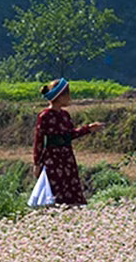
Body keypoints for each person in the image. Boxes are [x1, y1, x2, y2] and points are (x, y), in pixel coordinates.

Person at [32, 78, 104, 206]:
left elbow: (71, 134)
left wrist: (89, 129)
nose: (70, 98)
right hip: (52, 160)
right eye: (67, 95)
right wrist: (37, 164)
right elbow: (39, 141)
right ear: (60, 97)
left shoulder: (65, 115)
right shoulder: (44, 116)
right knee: (55, 192)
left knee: (71, 189)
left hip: (67, 158)